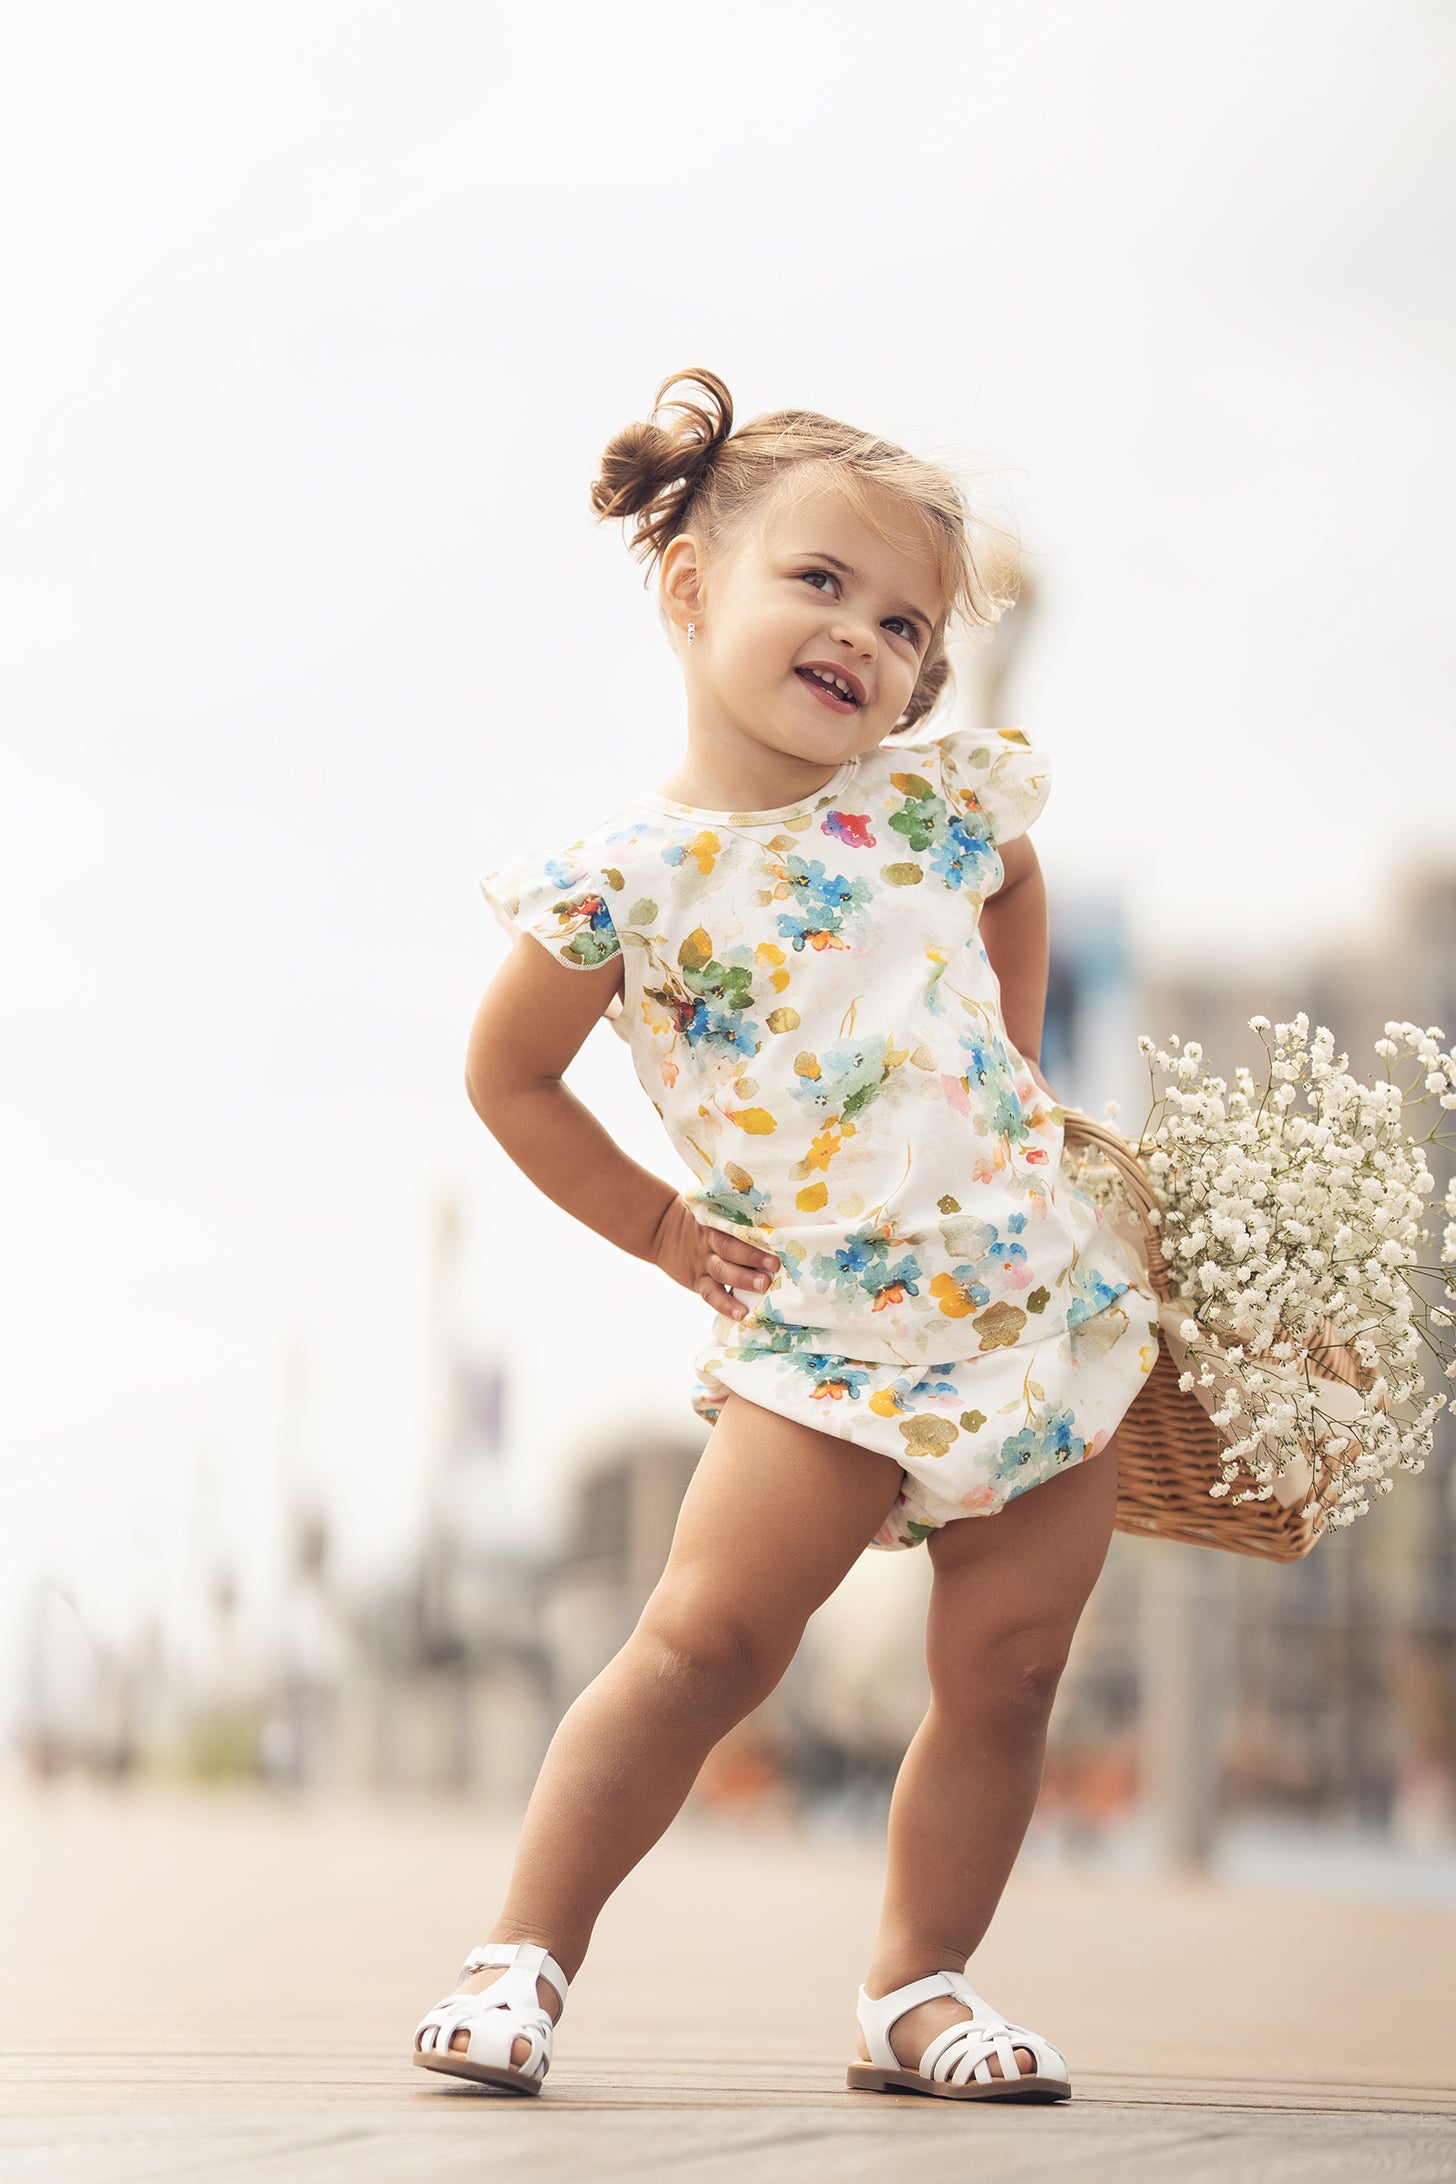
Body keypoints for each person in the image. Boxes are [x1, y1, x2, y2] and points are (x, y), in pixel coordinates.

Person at [412, 369, 1161, 2104]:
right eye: (818, 582)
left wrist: (1020, 1078)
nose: (864, 638)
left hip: (1033, 1304)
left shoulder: (932, 807)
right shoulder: (627, 878)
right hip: (822, 1330)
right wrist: (664, 1229)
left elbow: (1017, 881)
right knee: (703, 1645)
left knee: (1014, 1666)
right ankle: (522, 1950)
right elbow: (507, 1075)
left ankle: (919, 1985)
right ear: (691, 589)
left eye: (904, 624)